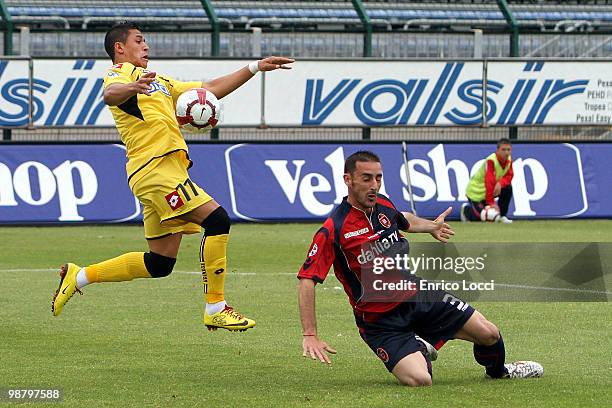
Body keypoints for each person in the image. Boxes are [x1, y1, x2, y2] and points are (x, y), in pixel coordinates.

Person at [51, 21, 294, 332]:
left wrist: (255, 67)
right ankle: (216, 307)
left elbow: (207, 90)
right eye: (139, 40)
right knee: (217, 220)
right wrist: (132, 87)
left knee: (160, 263)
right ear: (120, 48)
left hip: (161, 170)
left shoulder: (160, 81)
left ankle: (79, 275)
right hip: (156, 170)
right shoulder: (121, 73)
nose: (146, 46)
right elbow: (110, 94)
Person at [297, 151, 542, 386]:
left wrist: (430, 226)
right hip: (380, 320)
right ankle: (418, 345)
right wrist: (310, 334)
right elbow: (307, 279)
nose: (374, 185)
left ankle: (500, 372)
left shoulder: (382, 204)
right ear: (348, 180)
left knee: (489, 333)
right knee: (420, 380)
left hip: (416, 294)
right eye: (366, 178)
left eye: (378, 178)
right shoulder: (335, 228)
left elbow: (402, 219)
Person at [462, 138, 514, 224]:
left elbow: (509, 175)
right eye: (503, 149)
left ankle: (502, 215)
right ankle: (466, 210)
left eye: (508, 150)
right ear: (497, 150)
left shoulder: (509, 160)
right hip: (476, 192)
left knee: (508, 188)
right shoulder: (491, 160)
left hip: (489, 192)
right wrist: (491, 203)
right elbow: (489, 182)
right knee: (483, 217)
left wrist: (500, 183)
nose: (506, 152)